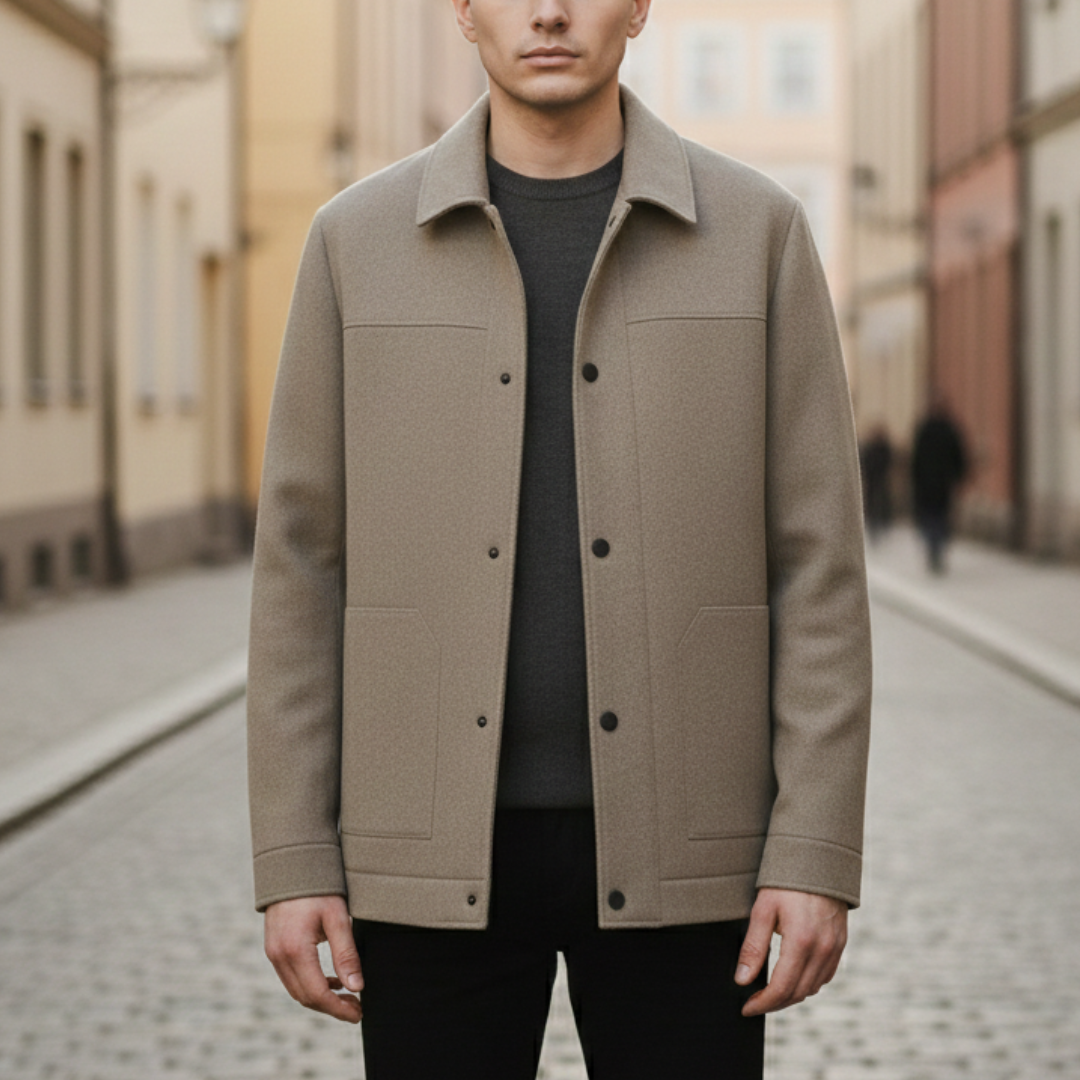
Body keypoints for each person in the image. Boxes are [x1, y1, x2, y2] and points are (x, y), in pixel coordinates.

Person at [245, 2, 873, 1077]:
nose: (547, 11)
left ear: (638, 7)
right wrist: (295, 855)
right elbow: (300, 567)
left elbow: (818, 565)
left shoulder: (758, 234)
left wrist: (813, 850)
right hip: (423, 860)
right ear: (463, 10)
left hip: (692, 858)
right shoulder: (354, 243)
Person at [911, 394, 969, 574]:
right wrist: (959, 476)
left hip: (933, 483)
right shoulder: (944, 429)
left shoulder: (929, 429)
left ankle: (935, 549)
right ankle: (935, 549)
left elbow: (957, 456)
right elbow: (958, 457)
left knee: (934, 517)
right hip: (937, 483)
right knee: (936, 517)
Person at [861, 423, 895, 543]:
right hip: (873, 480)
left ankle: (883, 525)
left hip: (881, 479)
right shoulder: (871, 449)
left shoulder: (884, 449)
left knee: (883, 503)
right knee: (873, 503)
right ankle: (874, 526)